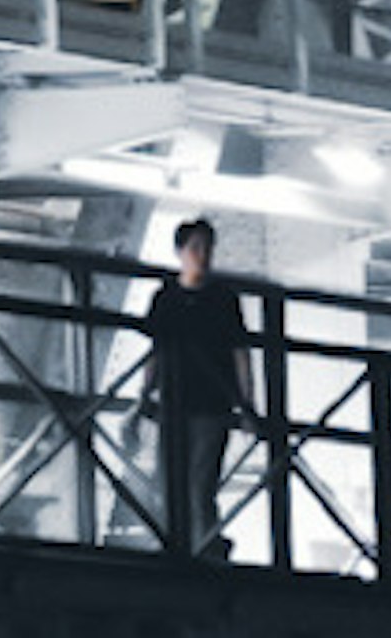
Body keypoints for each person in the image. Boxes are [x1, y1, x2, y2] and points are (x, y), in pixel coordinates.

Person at [141, 211, 251, 548]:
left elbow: (240, 354)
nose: (203, 256)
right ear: (181, 252)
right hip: (179, 401)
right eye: (197, 248)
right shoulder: (182, 299)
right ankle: (189, 546)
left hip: (208, 404)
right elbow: (156, 353)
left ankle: (193, 547)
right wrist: (144, 394)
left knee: (199, 484)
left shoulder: (212, 299)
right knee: (173, 482)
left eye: (207, 249)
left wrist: (246, 404)